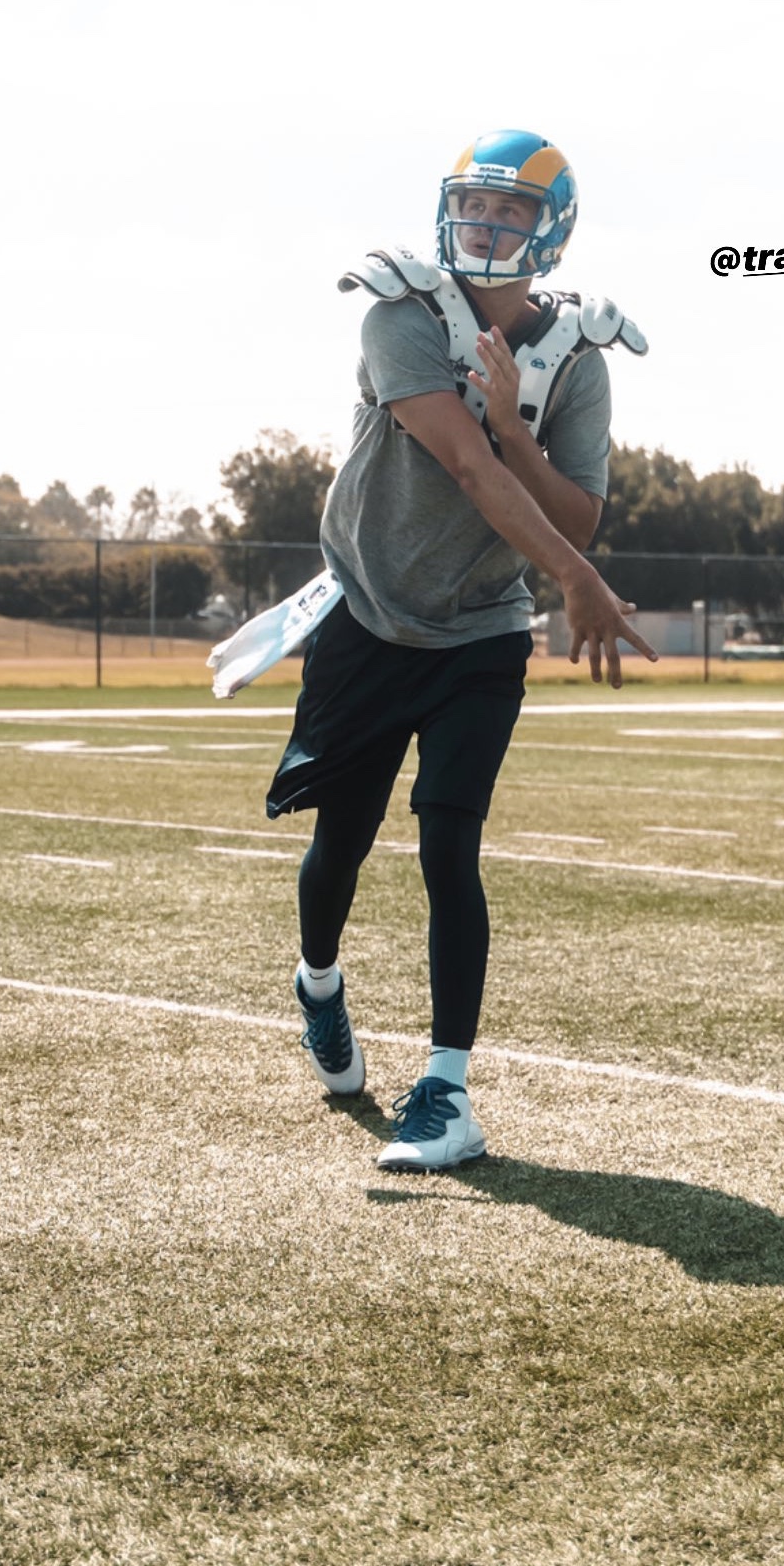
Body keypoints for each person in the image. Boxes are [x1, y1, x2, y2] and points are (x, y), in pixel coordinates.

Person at [265, 129, 655, 1168]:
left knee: (449, 840)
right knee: (339, 840)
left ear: (551, 229)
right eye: (474, 207)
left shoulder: (577, 357)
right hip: (371, 611)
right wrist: (573, 573)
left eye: (509, 212)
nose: (485, 226)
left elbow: (578, 509)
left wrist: (519, 432)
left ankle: (445, 1091)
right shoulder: (400, 310)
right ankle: (317, 981)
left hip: (481, 627)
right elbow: (466, 469)